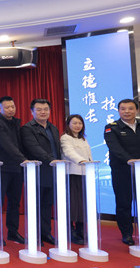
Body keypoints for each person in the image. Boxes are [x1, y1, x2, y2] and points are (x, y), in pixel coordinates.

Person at [104, 98, 140, 247]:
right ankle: (127, 234)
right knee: (124, 204)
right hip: (123, 172)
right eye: (123, 109)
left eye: (130, 108)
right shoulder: (112, 128)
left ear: (136, 110)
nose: (127, 112)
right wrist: (131, 160)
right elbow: (115, 149)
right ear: (118, 111)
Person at [20, 98, 62, 245]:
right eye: (39, 109)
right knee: (35, 205)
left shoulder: (53, 128)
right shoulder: (27, 128)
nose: (43, 112)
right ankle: (34, 234)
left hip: (53, 172)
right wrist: (51, 159)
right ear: (32, 111)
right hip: (36, 172)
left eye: (46, 109)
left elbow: (57, 149)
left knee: (47, 205)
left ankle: (45, 233)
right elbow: (34, 148)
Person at [0, 96, 27, 244]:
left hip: (17, 169)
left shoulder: (17, 123)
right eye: (7, 107)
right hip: (2, 169)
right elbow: (7, 145)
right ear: (0, 109)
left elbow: (20, 145)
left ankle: (13, 232)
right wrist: (23, 159)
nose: (11, 109)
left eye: (12, 106)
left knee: (15, 202)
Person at [60, 114, 93, 245]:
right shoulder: (65, 138)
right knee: (73, 204)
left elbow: (89, 156)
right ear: (68, 124)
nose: (77, 126)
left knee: (82, 205)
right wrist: (82, 161)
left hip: (84, 174)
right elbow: (69, 152)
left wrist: (90, 164)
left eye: (80, 123)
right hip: (71, 174)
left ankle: (81, 230)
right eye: (74, 123)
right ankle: (70, 231)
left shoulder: (83, 139)